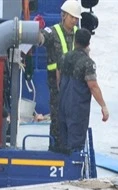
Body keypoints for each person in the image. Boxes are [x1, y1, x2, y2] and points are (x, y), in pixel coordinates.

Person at [57, 28, 109, 154]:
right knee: (75, 146)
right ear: (88, 43)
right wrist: (103, 106)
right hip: (77, 108)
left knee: (63, 143)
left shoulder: (64, 57)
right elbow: (93, 86)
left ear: (75, 41)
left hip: (62, 105)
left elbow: (58, 77)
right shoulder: (87, 63)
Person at [42, 0, 83, 151]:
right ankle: (55, 146)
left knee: (73, 114)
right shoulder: (52, 32)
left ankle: (70, 145)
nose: (74, 20)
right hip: (56, 82)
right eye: (72, 17)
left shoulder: (79, 34)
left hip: (74, 81)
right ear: (64, 15)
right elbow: (41, 39)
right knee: (58, 113)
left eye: (76, 18)